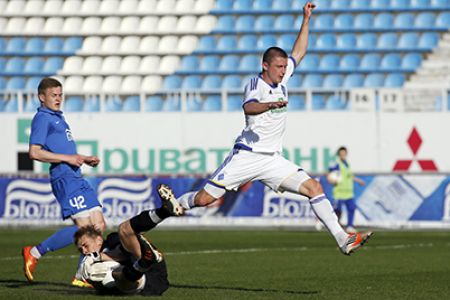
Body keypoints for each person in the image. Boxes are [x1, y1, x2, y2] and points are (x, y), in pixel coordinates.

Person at [172, 2, 372, 255]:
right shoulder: (256, 84)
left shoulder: (282, 77)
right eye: (279, 67)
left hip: (272, 159)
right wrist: (270, 104)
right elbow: (249, 107)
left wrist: (306, 20)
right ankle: (176, 203)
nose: (283, 71)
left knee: (314, 188)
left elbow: (299, 52)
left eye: (284, 67)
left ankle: (344, 239)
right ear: (265, 65)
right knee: (203, 200)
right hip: (247, 155)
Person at [22, 77, 106, 286]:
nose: (58, 99)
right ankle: (35, 252)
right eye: (53, 95)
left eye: (60, 95)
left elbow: (64, 151)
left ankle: (81, 275)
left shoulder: (59, 118)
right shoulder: (42, 118)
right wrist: (70, 159)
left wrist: (82, 158)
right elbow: (34, 152)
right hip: (64, 178)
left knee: (98, 225)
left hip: (75, 175)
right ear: (42, 97)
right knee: (86, 230)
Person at [74, 184, 181, 295]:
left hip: (150, 265)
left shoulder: (111, 240)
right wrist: (92, 280)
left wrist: (96, 256)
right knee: (113, 276)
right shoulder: (88, 265)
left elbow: (122, 254)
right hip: (145, 282)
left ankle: (164, 211)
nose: (85, 251)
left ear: (98, 240)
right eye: (81, 250)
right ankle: (141, 264)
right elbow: (103, 290)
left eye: (85, 245)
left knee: (124, 229)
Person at [327, 146, 365, 233]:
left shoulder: (347, 164)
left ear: (346, 154)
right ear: (339, 155)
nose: (343, 155)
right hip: (339, 192)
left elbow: (349, 176)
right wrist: (331, 179)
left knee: (351, 208)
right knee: (338, 211)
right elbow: (329, 173)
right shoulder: (337, 164)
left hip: (348, 192)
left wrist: (359, 181)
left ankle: (350, 226)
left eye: (344, 153)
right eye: (341, 154)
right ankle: (335, 226)